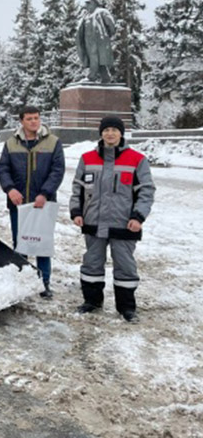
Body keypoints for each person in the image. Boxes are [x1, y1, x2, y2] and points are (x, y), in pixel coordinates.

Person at [70, 116, 155, 323]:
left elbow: (146, 191)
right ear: (101, 133)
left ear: (121, 133)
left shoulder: (137, 160)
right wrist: (76, 211)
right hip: (93, 222)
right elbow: (77, 189)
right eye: (106, 130)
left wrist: (138, 216)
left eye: (114, 130)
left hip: (124, 224)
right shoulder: (87, 158)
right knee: (92, 263)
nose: (110, 134)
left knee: (125, 266)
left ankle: (126, 307)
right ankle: (92, 301)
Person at [0, 106, 65, 298]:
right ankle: (22, 282)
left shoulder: (52, 142)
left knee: (42, 244)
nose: (34, 122)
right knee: (21, 243)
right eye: (29, 119)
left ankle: (44, 283)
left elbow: (57, 170)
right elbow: (3, 169)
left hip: (43, 203)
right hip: (19, 204)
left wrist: (45, 193)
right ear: (21, 121)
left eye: (36, 118)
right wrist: (10, 189)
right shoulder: (11, 143)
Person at [76, 0, 116, 83]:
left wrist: (107, 35)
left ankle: (92, 76)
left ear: (94, 3)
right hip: (88, 41)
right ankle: (105, 77)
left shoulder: (101, 11)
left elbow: (111, 24)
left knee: (95, 57)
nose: (86, 5)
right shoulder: (86, 16)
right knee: (95, 59)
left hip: (98, 40)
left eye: (88, 3)